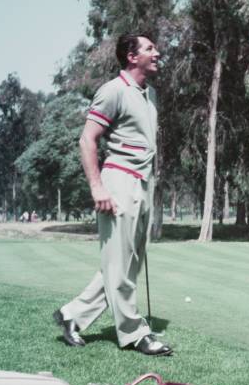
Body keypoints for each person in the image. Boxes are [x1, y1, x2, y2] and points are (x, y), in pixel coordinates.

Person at [53, 33, 172, 356]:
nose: (157, 52)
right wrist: (97, 187)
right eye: (150, 48)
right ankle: (135, 332)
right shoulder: (113, 91)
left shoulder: (151, 95)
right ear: (132, 57)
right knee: (119, 265)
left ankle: (72, 314)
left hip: (143, 184)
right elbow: (87, 140)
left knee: (125, 264)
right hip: (118, 182)